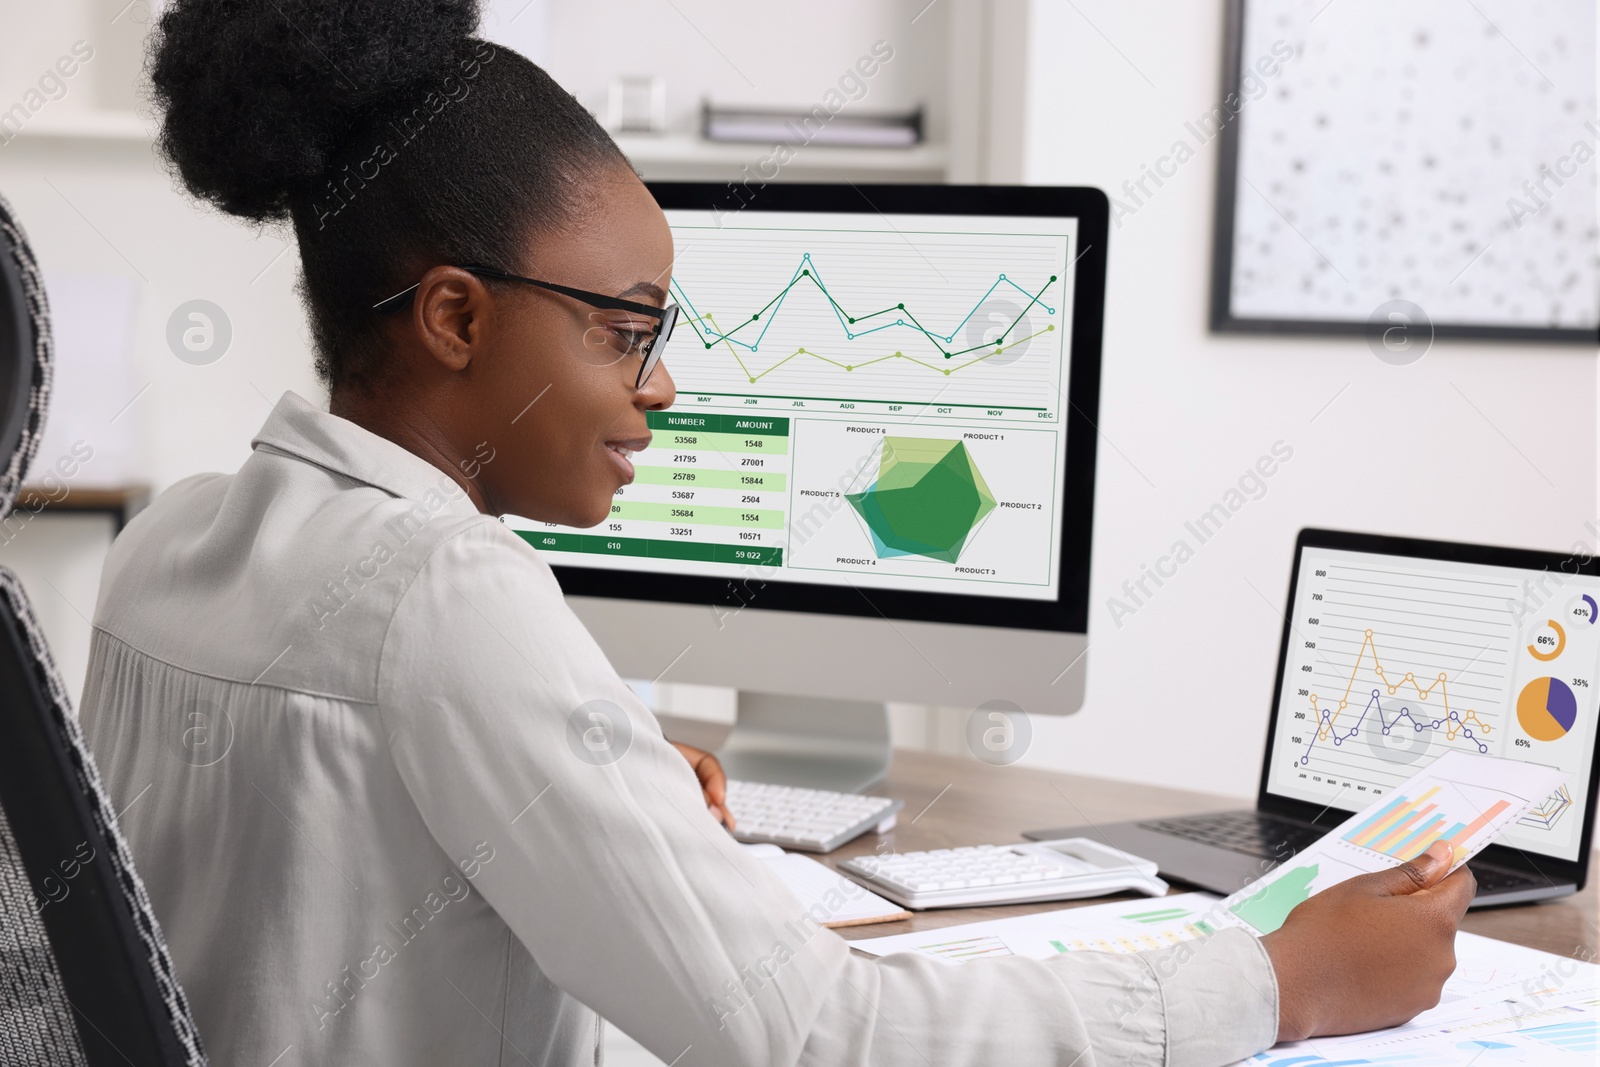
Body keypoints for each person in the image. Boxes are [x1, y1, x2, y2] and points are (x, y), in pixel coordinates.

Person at [79, 2, 1476, 1064]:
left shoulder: (172, 547)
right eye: (623, 331)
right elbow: (807, 1031)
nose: (663, 385)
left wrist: (601, 771)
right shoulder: (444, 596)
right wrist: (1280, 984)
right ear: (455, 316)